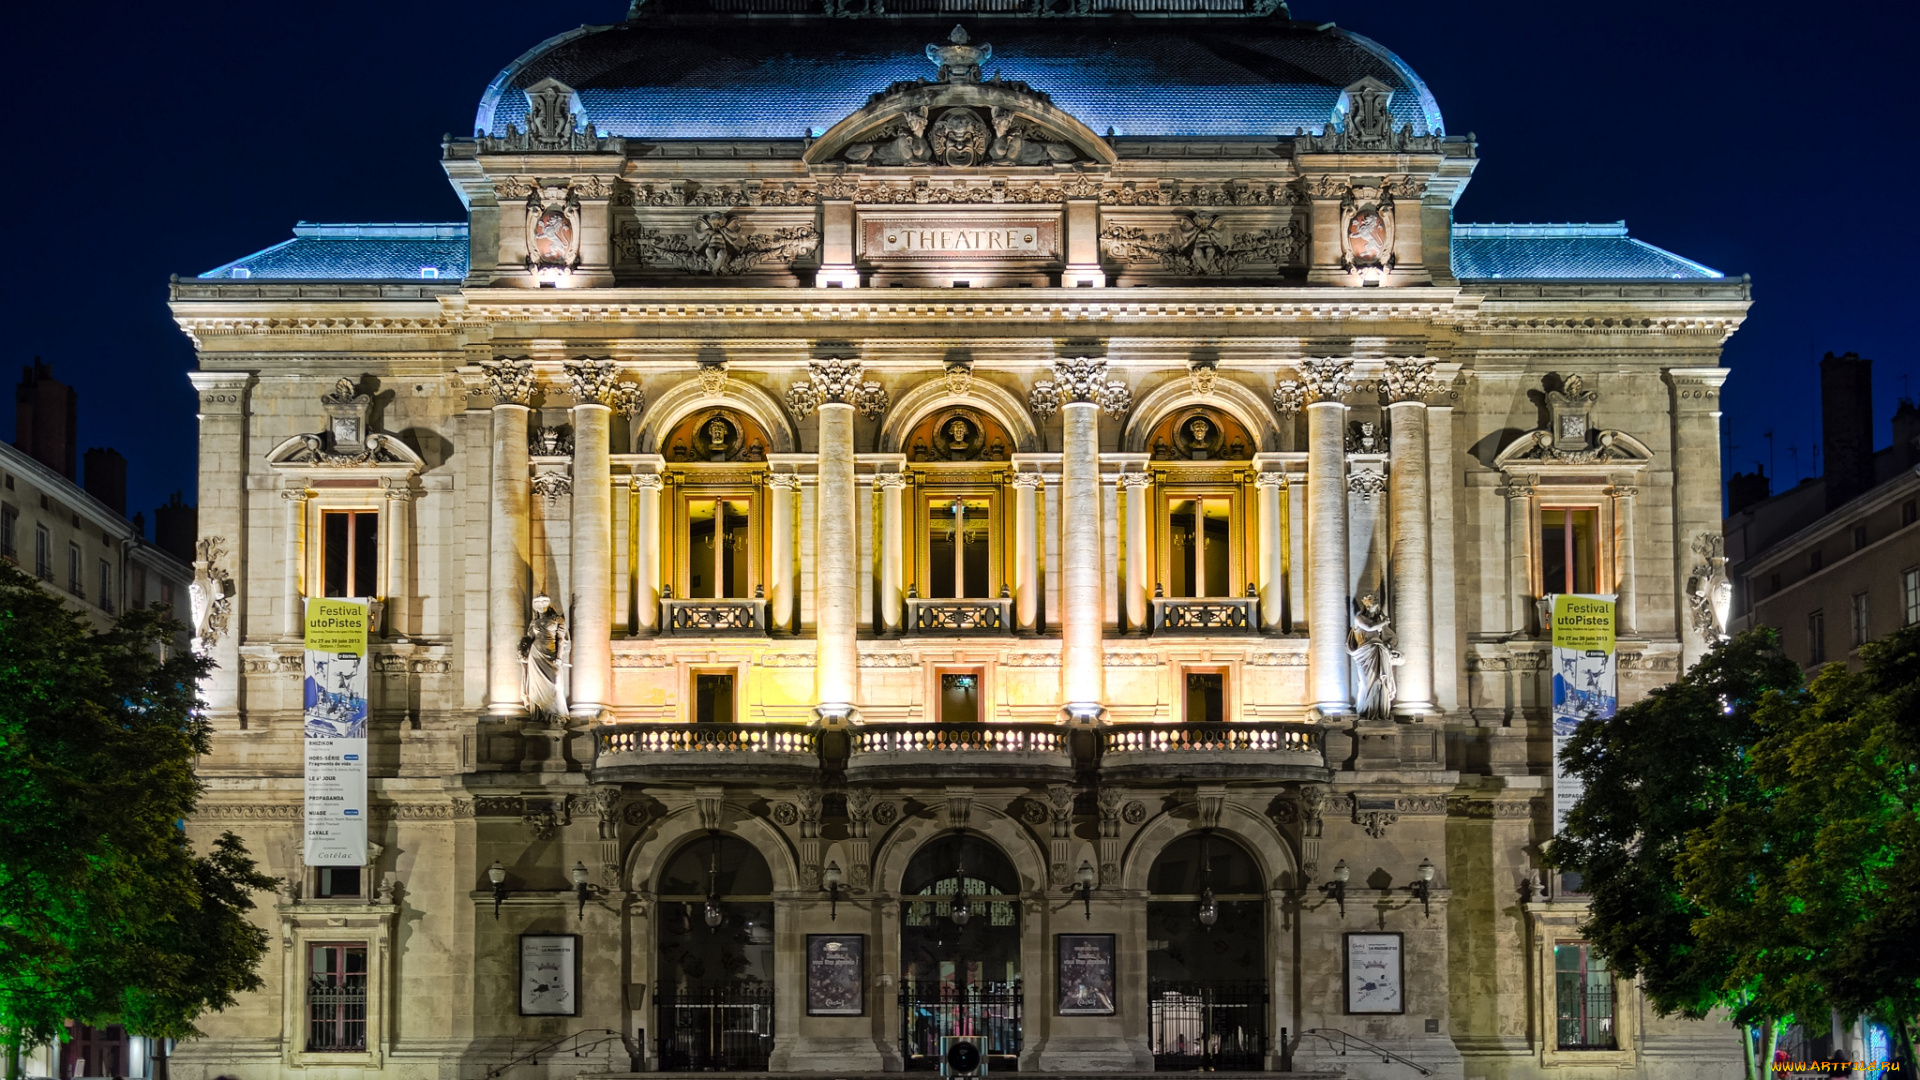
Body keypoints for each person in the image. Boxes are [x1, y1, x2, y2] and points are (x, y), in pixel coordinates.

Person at [1349, 594, 1401, 720]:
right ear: (1365, 605)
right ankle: (1365, 712)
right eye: (1371, 602)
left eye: (1375, 602)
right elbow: (1369, 627)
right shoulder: (1359, 619)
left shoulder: (1379, 622)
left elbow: (1391, 637)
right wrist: (1383, 622)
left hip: (1379, 652)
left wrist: (1389, 647)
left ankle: (1381, 712)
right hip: (1365, 654)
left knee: (1380, 682)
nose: (1373, 605)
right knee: (1366, 683)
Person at [520, 594, 571, 720]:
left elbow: (561, 639)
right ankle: (538, 715)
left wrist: (559, 658)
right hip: (535, 655)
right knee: (536, 688)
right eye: (538, 602)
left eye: (544, 601)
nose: (541, 604)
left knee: (555, 684)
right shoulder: (534, 622)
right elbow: (529, 639)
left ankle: (557, 714)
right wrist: (522, 650)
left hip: (551, 654)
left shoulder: (558, 619)